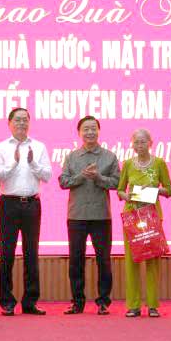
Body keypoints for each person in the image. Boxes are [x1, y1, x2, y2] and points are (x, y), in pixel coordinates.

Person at [59, 115, 121, 315]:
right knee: (76, 259)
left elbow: (117, 183)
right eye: (86, 129)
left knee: (103, 259)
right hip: (76, 215)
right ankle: (77, 302)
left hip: (101, 216)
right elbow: (63, 182)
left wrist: (99, 178)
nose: (90, 132)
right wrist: (81, 176)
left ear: (99, 131)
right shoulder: (71, 157)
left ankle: (103, 301)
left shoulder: (109, 157)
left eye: (93, 128)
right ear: (79, 133)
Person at [0, 108, 51, 316]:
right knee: (6, 253)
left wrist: (33, 163)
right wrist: (15, 162)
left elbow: (47, 176)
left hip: (32, 204)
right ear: (9, 123)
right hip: (8, 204)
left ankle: (30, 301)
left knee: (31, 253)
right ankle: (7, 301)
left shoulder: (39, 146)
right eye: (17, 120)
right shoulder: (0, 148)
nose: (21, 123)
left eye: (25, 120)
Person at [117, 129, 171, 318]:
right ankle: (133, 305)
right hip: (132, 217)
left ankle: (152, 305)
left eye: (143, 142)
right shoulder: (127, 164)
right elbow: (119, 190)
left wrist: (155, 191)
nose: (139, 146)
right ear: (132, 144)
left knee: (152, 261)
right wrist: (128, 196)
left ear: (150, 143)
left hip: (152, 216)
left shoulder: (159, 163)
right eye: (136, 142)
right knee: (132, 261)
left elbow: (169, 190)